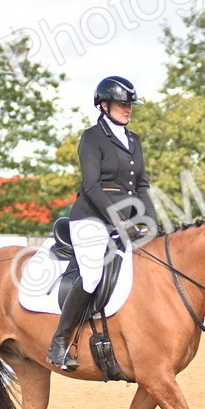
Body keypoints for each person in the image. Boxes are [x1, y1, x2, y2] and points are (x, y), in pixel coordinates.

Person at [46, 75, 160, 370]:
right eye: (122, 104)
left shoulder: (133, 140)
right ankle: (59, 341)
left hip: (125, 220)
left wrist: (154, 223)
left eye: (130, 104)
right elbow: (93, 186)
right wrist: (121, 222)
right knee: (93, 274)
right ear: (104, 105)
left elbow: (142, 186)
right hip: (91, 219)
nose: (128, 109)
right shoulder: (92, 137)